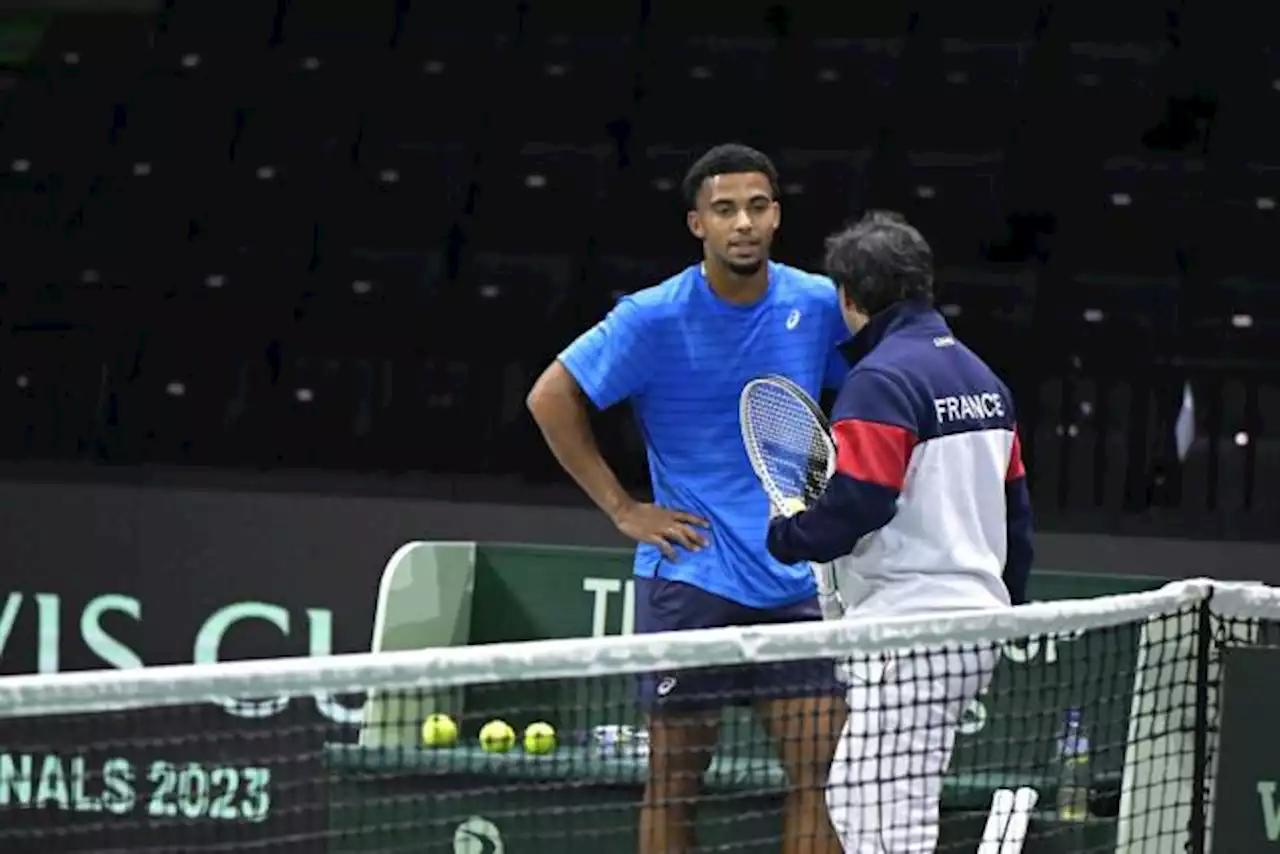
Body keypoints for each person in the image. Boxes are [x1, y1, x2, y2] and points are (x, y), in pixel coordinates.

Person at [526, 143, 849, 854]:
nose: (743, 224)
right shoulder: (651, 317)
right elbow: (551, 397)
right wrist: (622, 508)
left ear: (777, 216)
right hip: (691, 576)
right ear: (697, 223)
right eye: (725, 209)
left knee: (816, 784)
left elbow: (864, 393)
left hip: (793, 580)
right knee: (673, 784)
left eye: (757, 207)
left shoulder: (817, 304)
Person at [765, 210, 1034, 853]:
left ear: (849, 299)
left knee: (876, 814)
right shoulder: (982, 379)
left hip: (911, 629)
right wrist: (1009, 610)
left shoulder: (881, 380)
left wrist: (791, 534)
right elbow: (1016, 516)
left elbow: (862, 500)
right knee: (886, 799)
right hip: (977, 626)